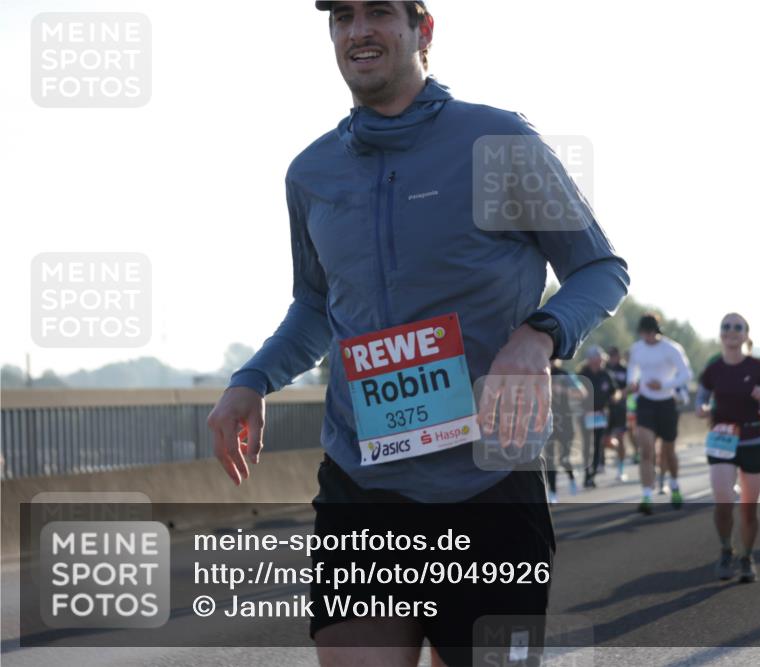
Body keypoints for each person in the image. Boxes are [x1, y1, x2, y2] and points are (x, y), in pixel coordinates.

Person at [207, 3, 630, 665]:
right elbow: (318, 306)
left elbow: (600, 268)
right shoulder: (311, 173)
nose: (358, 30)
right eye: (343, 17)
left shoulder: (498, 144)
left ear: (422, 30)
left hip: (487, 482)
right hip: (361, 481)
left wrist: (539, 335)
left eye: (378, 12)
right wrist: (251, 378)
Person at [696, 313, 760, 583]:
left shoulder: (758, 368)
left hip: (753, 438)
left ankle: (747, 556)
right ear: (720, 334)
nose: (731, 331)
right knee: (722, 501)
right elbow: (702, 396)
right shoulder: (714, 368)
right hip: (722, 440)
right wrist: (702, 408)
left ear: (746, 334)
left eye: (737, 327)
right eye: (726, 327)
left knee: (748, 508)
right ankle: (725, 550)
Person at [628, 313, 693, 514]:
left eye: (649, 333)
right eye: (643, 333)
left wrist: (664, 384)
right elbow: (633, 369)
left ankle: (674, 484)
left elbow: (686, 374)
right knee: (646, 450)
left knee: (668, 451)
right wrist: (632, 382)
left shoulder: (671, 348)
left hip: (666, 402)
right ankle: (647, 495)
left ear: (656, 331)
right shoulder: (637, 349)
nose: (646, 337)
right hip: (646, 403)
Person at [577, 346, 620, 489]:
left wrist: (615, 397)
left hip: (600, 414)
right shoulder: (582, 375)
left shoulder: (606, 374)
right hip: (585, 414)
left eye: (601, 358)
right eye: (597, 358)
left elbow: (615, 392)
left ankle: (592, 474)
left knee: (597, 444)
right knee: (587, 444)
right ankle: (586, 473)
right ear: (591, 360)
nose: (600, 361)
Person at [545, 359, 586, 503]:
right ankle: (552, 492)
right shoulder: (538, 373)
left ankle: (571, 477)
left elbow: (581, 393)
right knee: (549, 459)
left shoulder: (565, 375)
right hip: (546, 422)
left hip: (565, 420)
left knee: (564, 458)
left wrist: (561, 390)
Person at [604, 346, 631, 481]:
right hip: (607, 408)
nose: (613, 358)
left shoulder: (625, 369)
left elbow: (630, 386)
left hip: (621, 408)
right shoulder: (606, 368)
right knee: (604, 439)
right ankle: (610, 457)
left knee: (621, 437)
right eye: (611, 355)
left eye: (615, 355)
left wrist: (621, 395)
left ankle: (620, 469)